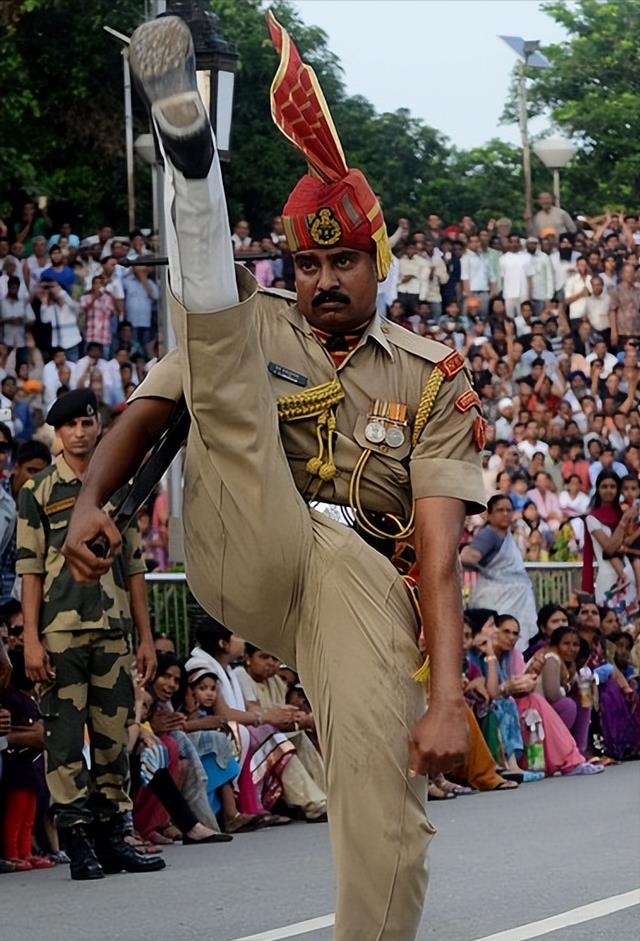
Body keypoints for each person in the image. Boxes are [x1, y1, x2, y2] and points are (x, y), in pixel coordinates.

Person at [62, 16, 485, 939]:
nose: (323, 279)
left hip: (357, 588)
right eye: (306, 261)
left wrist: (447, 697)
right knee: (221, 350)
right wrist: (93, 500)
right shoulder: (264, 322)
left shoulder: (433, 375)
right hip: (242, 536)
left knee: (387, 811)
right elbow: (150, 409)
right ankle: (195, 171)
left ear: (381, 261)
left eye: (343, 260)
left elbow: (444, 554)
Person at [16, 389, 164, 880]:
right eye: (69, 426)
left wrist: (145, 638)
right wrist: (32, 639)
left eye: (86, 423)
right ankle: (78, 841)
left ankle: (113, 835)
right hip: (59, 633)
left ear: (98, 427)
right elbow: (30, 570)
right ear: (56, 434)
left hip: (113, 630)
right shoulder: (37, 492)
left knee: (112, 739)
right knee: (62, 737)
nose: (79, 432)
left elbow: (137, 568)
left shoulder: (116, 488)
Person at [460, 494, 538, 647]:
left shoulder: (506, 535)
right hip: (497, 599)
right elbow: (469, 557)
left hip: (513, 600)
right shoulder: (489, 534)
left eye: (509, 510)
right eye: (500, 510)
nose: (505, 514)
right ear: (489, 514)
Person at [582, 470, 637, 608]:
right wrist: (623, 522)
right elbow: (609, 548)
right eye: (604, 486)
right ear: (598, 489)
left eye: (613, 486)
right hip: (608, 579)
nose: (609, 490)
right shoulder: (592, 518)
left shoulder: (626, 511)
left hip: (631, 576)